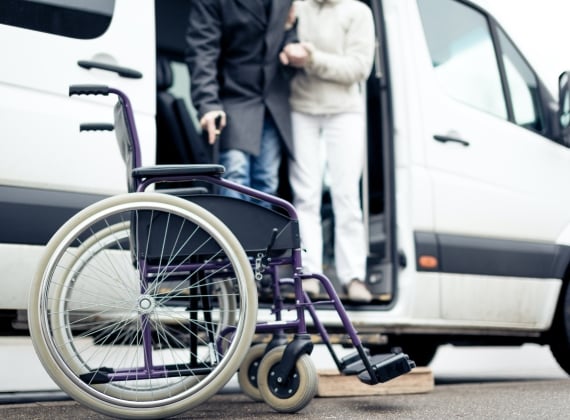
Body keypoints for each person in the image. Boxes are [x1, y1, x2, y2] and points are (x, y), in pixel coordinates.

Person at [284, 0, 376, 302]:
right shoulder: (295, 6)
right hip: (301, 108)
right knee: (305, 196)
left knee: (346, 195)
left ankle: (353, 277)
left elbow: (358, 68)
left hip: (344, 112)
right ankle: (308, 273)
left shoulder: (357, 12)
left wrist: (311, 58)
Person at [185, 0, 308, 198]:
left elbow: (285, 35)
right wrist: (207, 103)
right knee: (234, 174)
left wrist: (291, 47)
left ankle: (259, 230)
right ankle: (231, 230)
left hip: (273, 101)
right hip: (233, 97)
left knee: (267, 182)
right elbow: (202, 52)